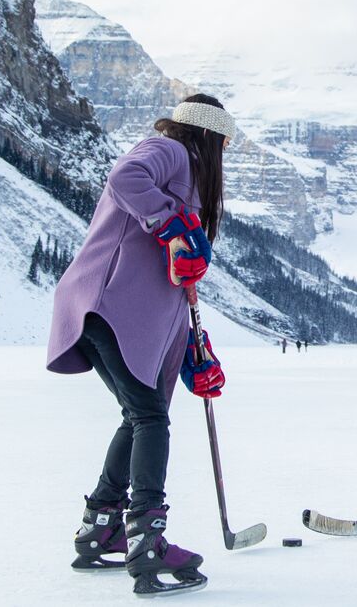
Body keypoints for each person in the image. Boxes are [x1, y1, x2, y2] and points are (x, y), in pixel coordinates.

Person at [46, 95, 238, 597]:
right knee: (150, 419)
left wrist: (193, 351)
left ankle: (101, 529)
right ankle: (147, 541)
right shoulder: (171, 149)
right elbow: (125, 177)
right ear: (210, 137)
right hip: (106, 302)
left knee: (141, 415)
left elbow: (175, 282)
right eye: (224, 145)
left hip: (127, 314)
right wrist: (171, 224)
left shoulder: (188, 174)